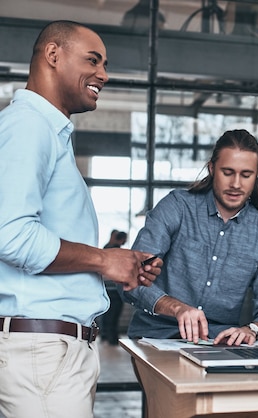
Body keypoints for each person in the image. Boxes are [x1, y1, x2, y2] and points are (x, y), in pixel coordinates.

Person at [0, 21, 160, 418]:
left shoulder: (47, 132)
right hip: (42, 354)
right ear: (53, 56)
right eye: (93, 60)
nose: (103, 74)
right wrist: (104, 260)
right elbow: (11, 236)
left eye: (105, 64)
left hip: (52, 354)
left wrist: (113, 265)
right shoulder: (28, 125)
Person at [123, 129, 258, 346]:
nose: (236, 184)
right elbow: (132, 277)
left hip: (218, 342)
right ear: (212, 168)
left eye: (246, 175)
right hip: (156, 336)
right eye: (228, 172)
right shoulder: (177, 207)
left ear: (257, 175)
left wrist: (252, 330)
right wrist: (175, 307)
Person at [100, 230, 129, 345]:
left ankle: (105, 336)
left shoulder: (105, 248)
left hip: (105, 287)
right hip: (115, 288)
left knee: (106, 314)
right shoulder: (118, 252)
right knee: (114, 315)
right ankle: (112, 339)